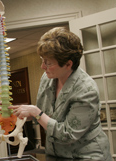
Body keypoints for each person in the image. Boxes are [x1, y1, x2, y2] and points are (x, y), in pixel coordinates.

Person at [9, 27, 112, 161]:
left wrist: (36, 113)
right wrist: (20, 112)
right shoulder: (47, 78)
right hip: (55, 154)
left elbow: (68, 134)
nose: (42, 67)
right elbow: (44, 115)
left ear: (68, 64)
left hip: (85, 155)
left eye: (48, 63)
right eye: (42, 60)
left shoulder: (86, 90)